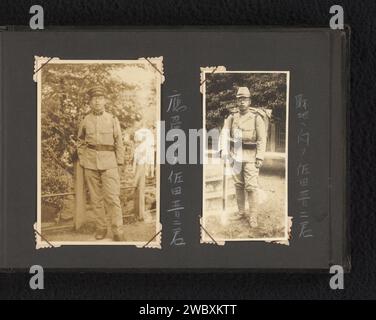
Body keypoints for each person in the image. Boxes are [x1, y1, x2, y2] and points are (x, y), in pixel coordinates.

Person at [77, 85, 125, 241]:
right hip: (90, 164)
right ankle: (101, 228)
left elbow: (119, 142)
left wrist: (119, 163)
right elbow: (80, 141)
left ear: (105, 100)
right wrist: (83, 159)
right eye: (94, 99)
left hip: (110, 163)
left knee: (112, 198)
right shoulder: (85, 120)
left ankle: (118, 231)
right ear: (90, 102)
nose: (97, 102)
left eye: (100, 98)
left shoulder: (112, 119)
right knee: (96, 199)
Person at [220, 87, 267, 227]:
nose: (242, 102)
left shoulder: (256, 117)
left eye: (245, 99)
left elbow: (262, 139)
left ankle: (253, 216)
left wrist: (260, 157)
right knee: (238, 185)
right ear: (237, 101)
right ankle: (241, 213)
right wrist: (224, 150)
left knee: (251, 187)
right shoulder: (231, 117)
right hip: (236, 155)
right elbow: (224, 134)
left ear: (249, 101)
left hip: (251, 156)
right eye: (239, 99)